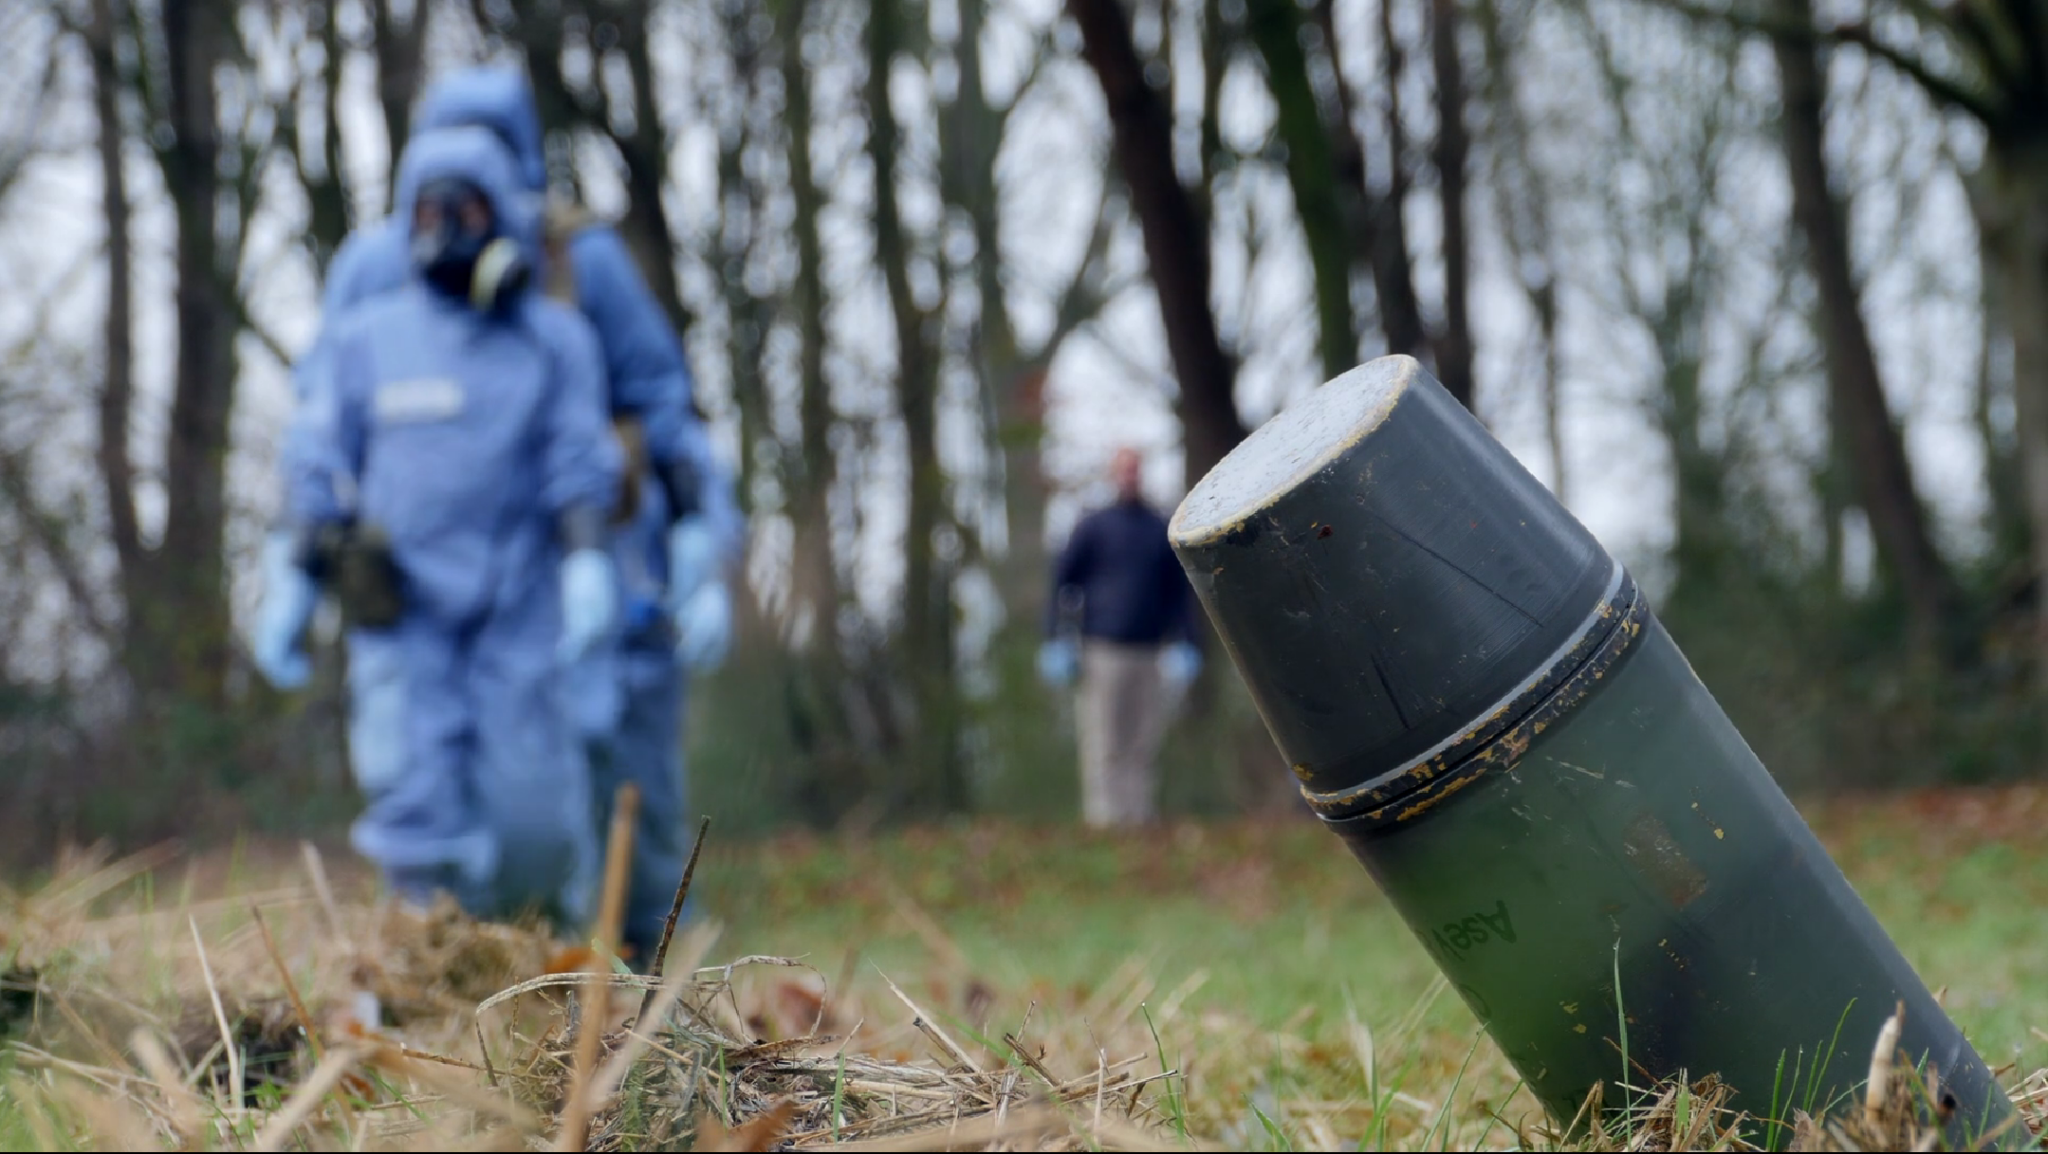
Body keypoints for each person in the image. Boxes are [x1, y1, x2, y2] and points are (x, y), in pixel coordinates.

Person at [293, 64, 745, 967]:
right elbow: (325, 416)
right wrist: (303, 549)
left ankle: (644, 1000)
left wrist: (704, 535)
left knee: (629, 790)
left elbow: (663, 405)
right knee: (437, 792)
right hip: (440, 582)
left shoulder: (582, 260)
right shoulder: (376, 272)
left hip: (599, 563)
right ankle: (471, 981)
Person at [252, 125, 623, 926]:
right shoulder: (365, 341)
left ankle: (535, 981)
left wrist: (588, 558)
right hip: (404, 624)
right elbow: (314, 452)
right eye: (428, 208)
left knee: (533, 822)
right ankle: (419, 995)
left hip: (519, 615)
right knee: (414, 815)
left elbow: (577, 458)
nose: (446, 226)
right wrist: (292, 568)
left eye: (468, 206)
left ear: (505, 220)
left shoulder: (553, 342)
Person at [1036, 446, 1205, 828]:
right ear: (1114, 475)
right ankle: (1105, 823)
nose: (1130, 477)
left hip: (1150, 651)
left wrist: (1188, 642)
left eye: (1135, 470)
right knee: (1105, 742)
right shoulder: (1093, 527)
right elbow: (1061, 583)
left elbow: (1179, 594)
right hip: (1103, 650)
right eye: (1124, 470)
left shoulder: (1158, 528)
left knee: (1142, 742)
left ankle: (1138, 820)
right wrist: (1054, 637)